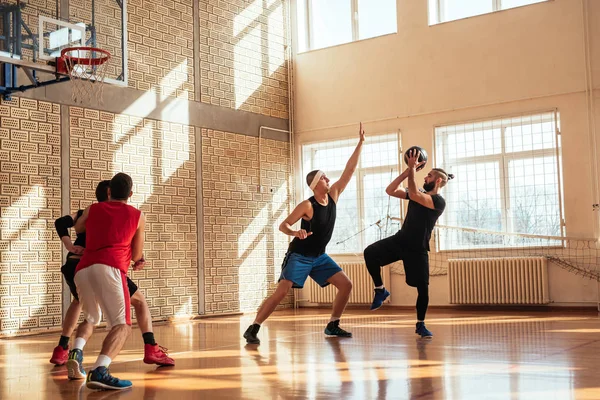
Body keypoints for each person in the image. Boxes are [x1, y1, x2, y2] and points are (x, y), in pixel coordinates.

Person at [243, 124, 366, 344]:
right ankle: (254, 327)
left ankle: (333, 325)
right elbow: (283, 225)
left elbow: (349, 171)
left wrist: (360, 143)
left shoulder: (334, 196)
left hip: (319, 256)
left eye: (328, 177)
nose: (329, 179)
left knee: (346, 284)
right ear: (315, 184)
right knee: (282, 292)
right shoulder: (307, 205)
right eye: (324, 178)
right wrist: (294, 231)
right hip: (299, 256)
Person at [50, 181, 174, 372]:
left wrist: (69, 245)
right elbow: (125, 249)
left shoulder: (88, 211)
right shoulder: (116, 214)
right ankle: (149, 348)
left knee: (84, 308)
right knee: (134, 308)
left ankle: (64, 349)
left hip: (77, 265)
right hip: (103, 264)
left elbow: (64, 223)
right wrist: (138, 258)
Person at [363, 148, 453, 338]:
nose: (425, 178)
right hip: (401, 240)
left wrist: (412, 168)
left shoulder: (438, 201)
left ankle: (420, 324)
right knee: (370, 252)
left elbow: (413, 193)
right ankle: (380, 289)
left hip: (418, 248)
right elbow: (390, 190)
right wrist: (407, 171)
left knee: (423, 288)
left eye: (428, 176)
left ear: (437, 181)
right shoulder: (417, 192)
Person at [69, 173, 145, 390]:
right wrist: (139, 260)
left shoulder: (94, 208)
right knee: (122, 325)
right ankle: (100, 370)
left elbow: (78, 228)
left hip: (83, 269)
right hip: (110, 268)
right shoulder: (138, 216)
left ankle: (76, 351)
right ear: (130, 194)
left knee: (92, 316)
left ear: (109, 192)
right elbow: (136, 254)